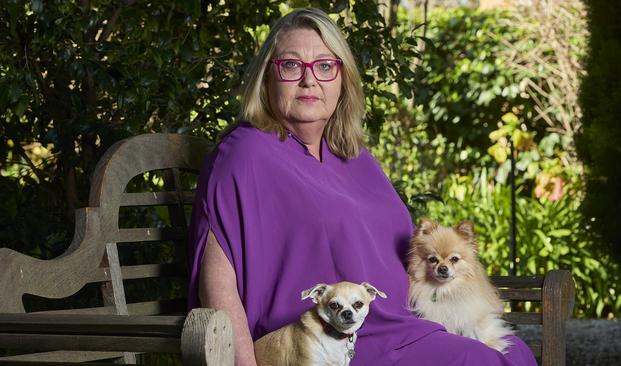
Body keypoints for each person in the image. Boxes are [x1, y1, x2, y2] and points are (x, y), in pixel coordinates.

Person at [187, 7, 537, 366]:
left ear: (343, 80)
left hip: (403, 328)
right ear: (267, 78)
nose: (310, 81)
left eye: (325, 66)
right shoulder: (245, 153)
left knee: (513, 352)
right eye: (291, 66)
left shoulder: (353, 156)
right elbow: (219, 286)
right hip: (327, 342)